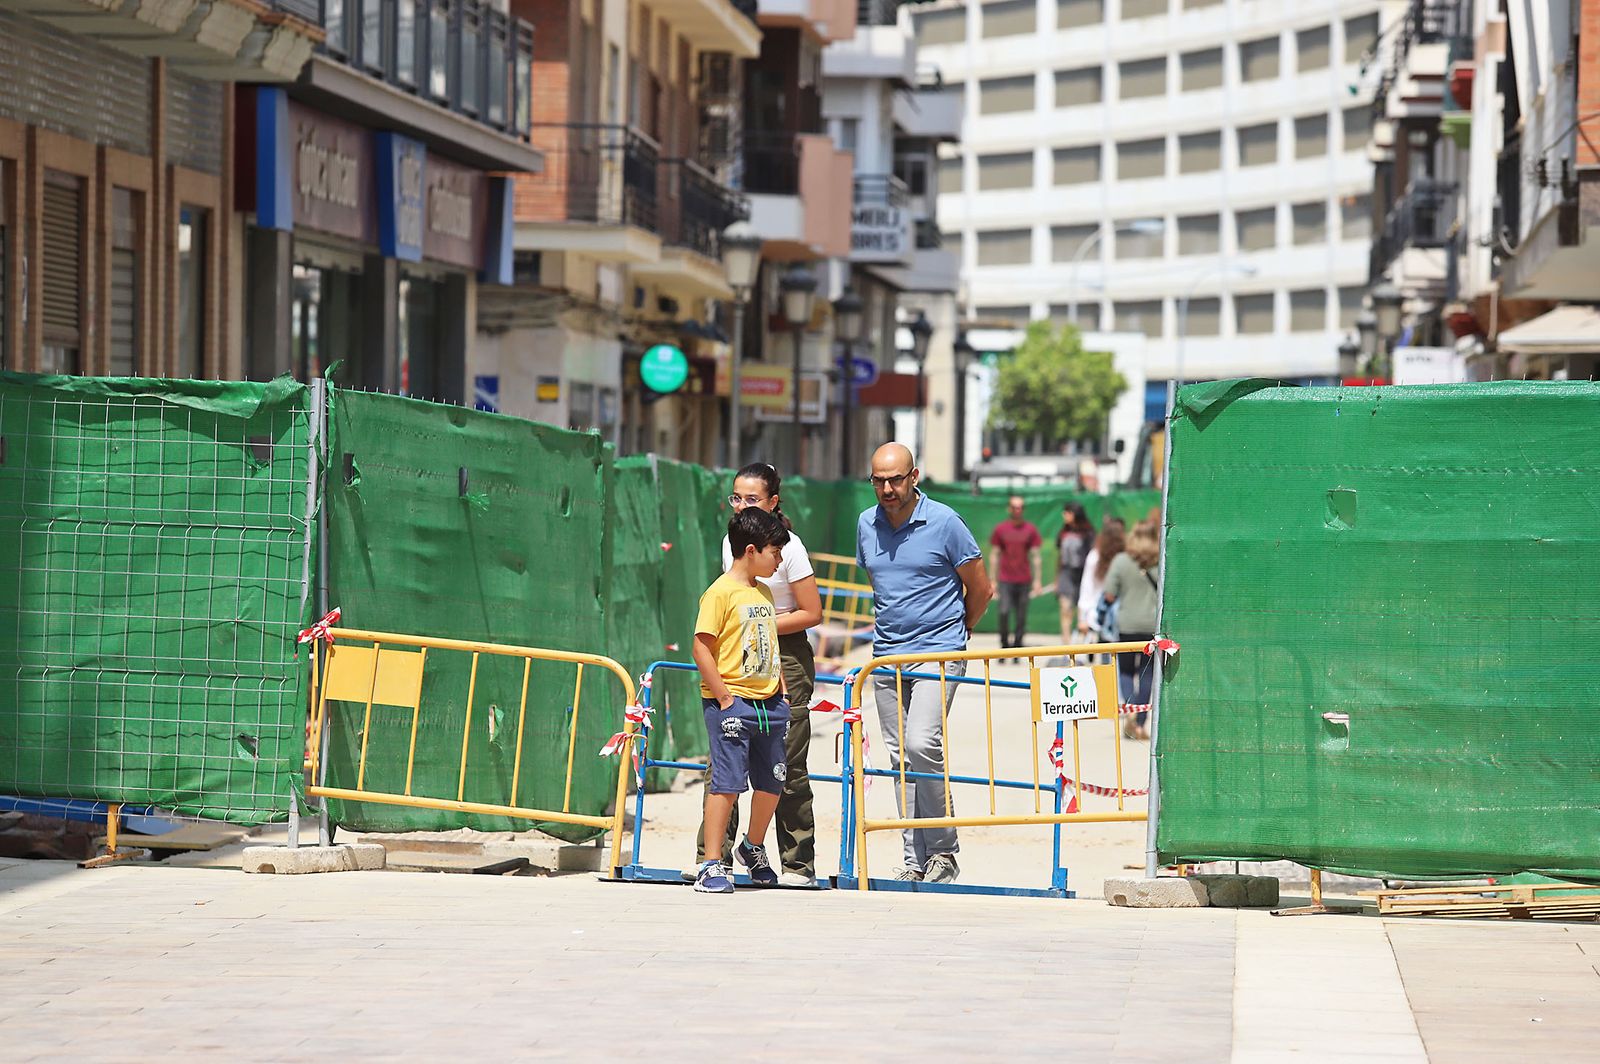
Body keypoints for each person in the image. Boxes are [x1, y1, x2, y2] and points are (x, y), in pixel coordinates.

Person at [856, 443, 993, 884]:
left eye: (896, 479)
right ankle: (914, 857)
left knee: (921, 745)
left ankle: (944, 851)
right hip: (887, 656)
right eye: (878, 480)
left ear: (915, 476)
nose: (887, 489)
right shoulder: (866, 524)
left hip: (938, 652)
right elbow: (882, 586)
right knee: (899, 760)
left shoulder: (946, 523)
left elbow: (981, 589)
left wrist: (956, 635)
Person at [696, 463, 824, 887]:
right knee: (726, 769)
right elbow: (717, 620)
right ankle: (711, 858)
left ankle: (795, 862)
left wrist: (763, 621)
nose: (741, 505)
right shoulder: (735, 547)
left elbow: (810, 612)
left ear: (773, 503)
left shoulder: (788, 549)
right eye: (736, 497)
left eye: (752, 499)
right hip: (736, 665)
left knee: (783, 766)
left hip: (780, 660)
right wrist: (727, 695)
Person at [689, 507, 792, 894]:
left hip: (769, 703)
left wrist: (780, 684)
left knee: (773, 780)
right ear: (751, 550)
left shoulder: (762, 592)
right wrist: (725, 698)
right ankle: (711, 863)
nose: (778, 559)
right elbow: (701, 649)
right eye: (774, 552)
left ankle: (753, 845)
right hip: (733, 703)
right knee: (728, 784)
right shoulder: (719, 593)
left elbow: (769, 640)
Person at [1101, 518, 1161, 740]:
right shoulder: (1161, 559)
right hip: (1153, 625)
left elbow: (1109, 593)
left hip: (1126, 624)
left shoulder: (1122, 561)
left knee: (1125, 671)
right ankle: (1140, 722)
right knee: (1147, 674)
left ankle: (1130, 710)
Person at [987, 495, 1042, 660]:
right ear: (1009, 509)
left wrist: (1038, 580)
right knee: (1003, 612)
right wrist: (992, 580)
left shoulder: (1030, 530)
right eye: (1014, 507)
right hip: (1005, 579)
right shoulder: (1001, 529)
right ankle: (1005, 646)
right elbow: (994, 555)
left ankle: (1017, 648)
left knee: (1020, 616)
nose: (1018, 510)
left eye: (1020, 507)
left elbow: (1036, 556)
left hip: (1024, 579)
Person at [1076, 517, 1126, 640]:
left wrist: (1082, 618)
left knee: (1106, 654)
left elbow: (1086, 588)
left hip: (1098, 615)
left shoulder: (1094, 556)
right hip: (1120, 615)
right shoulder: (1125, 558)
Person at [1056, 502, 1094, 639]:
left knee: (1082, 613)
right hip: (1066, 574)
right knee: (1065, 610)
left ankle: (1082, 648)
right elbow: (1060, 556)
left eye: (1067, 512)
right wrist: (1057, 580)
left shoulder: (1088, 533)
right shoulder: (1063, 532)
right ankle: (1066, 647)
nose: (1064, 515)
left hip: (1083, 574)